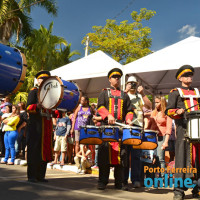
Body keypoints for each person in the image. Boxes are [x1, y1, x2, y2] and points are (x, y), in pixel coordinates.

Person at [165, 65, 200, 199]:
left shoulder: (197, 91)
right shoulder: (175, 92)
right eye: (186, 75)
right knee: (182, 160)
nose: (189, 77)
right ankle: (179, 191)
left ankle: (197, 188)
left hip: (198, 130)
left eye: (191, 75)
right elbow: (168, 111)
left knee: (197, 160)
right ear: (180, 78)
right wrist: (177, 112)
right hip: (183, 130)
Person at [97, 68, 133, 190]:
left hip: (120, 130)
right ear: (109, 79)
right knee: (104, 156)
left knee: (122, 156)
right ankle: (102, 181)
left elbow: (130, 110)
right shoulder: (104, 93)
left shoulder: (125, 95)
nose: (116, 79)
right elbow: (100, 106)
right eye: (114, 77)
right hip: (106, 128)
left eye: (118, 77)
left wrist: (128, 119)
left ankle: (120, 183)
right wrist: (108, 115)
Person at [26, 70, 60, 183]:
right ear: (38, 80)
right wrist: (37, 106)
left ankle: (41, 175)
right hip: (36, 125)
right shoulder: (34, 92)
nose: (44, 81)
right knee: (34, 150)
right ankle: (32, 176)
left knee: (45, 151)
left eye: (46, 79)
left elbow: (52, 111)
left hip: (47, 126)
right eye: (42, 79)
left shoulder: (52, 94)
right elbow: (28, 107)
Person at [123, 76, 152, 190]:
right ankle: (124, 179)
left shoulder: (140, 96)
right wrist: (125, 91)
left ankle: (136, 180)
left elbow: (150, 106)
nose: (132, 85)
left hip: (138, 127)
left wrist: (143, 94)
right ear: (127, 84)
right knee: (125, 154)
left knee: (136, 155)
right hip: (126, 126)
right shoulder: (123, 94)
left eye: (134, 83)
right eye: (130, 83)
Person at [148, 95, 172, 178]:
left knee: (160, 158)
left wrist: (166, 142)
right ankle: (151, 177)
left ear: (162, 102)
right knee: (151, 158)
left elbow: (169, 128)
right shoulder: (153, 112)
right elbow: (149, 125)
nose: (155, 104)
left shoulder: (167, 113)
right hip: (152, 137)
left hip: (162, 137)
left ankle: (161, 177)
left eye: (157, 102)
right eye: (155, 102)